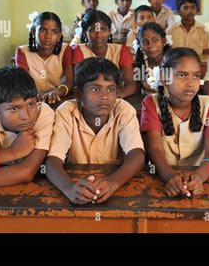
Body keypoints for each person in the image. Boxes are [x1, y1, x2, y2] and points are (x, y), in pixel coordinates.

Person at [46, 57, 145, 204]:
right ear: (79, 95)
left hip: (113, 191)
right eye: (95, 89)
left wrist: (113, 183)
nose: (104, 96)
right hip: (77, 183)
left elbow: (137, 155)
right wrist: (69, 188)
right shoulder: (66, 112)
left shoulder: (123, 110)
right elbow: (53, 160)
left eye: (110, 89)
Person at [141, 48, 209, 197]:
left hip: (200, 179)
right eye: (182, 75)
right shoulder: (151, 103)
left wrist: (199, 177)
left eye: (196, 76)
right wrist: (170, 177)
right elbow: (155, 149)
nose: (190, 83)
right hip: (161, 177)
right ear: (165, 78)